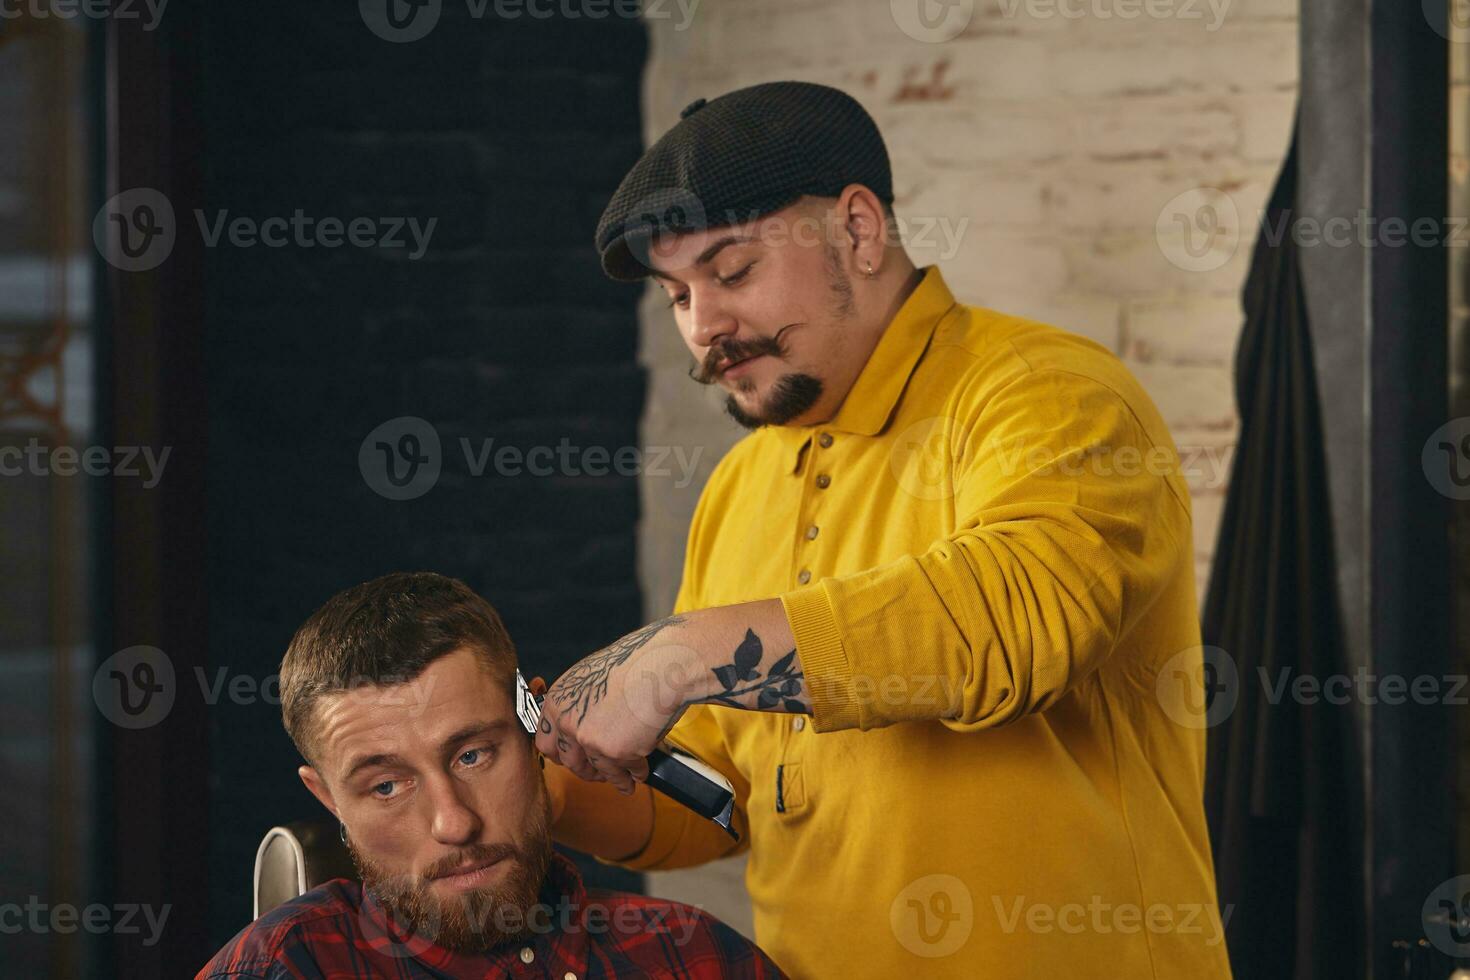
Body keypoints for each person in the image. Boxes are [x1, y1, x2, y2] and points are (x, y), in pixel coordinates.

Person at [532, 81, 1234, 977]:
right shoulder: (741, 483)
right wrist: (542, 786)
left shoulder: (1047, 394)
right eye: (677, 296)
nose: (704, 326)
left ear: (858, 230)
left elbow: (1014, 621)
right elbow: (722, 798)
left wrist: (678, 654)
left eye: (733, 271)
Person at [196, 572, 785, 979]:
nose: (455, 822)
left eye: (472, 755)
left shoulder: (693, 958)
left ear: (536, 729)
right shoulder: (277, 969)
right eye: (385, 786)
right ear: (327, 798)